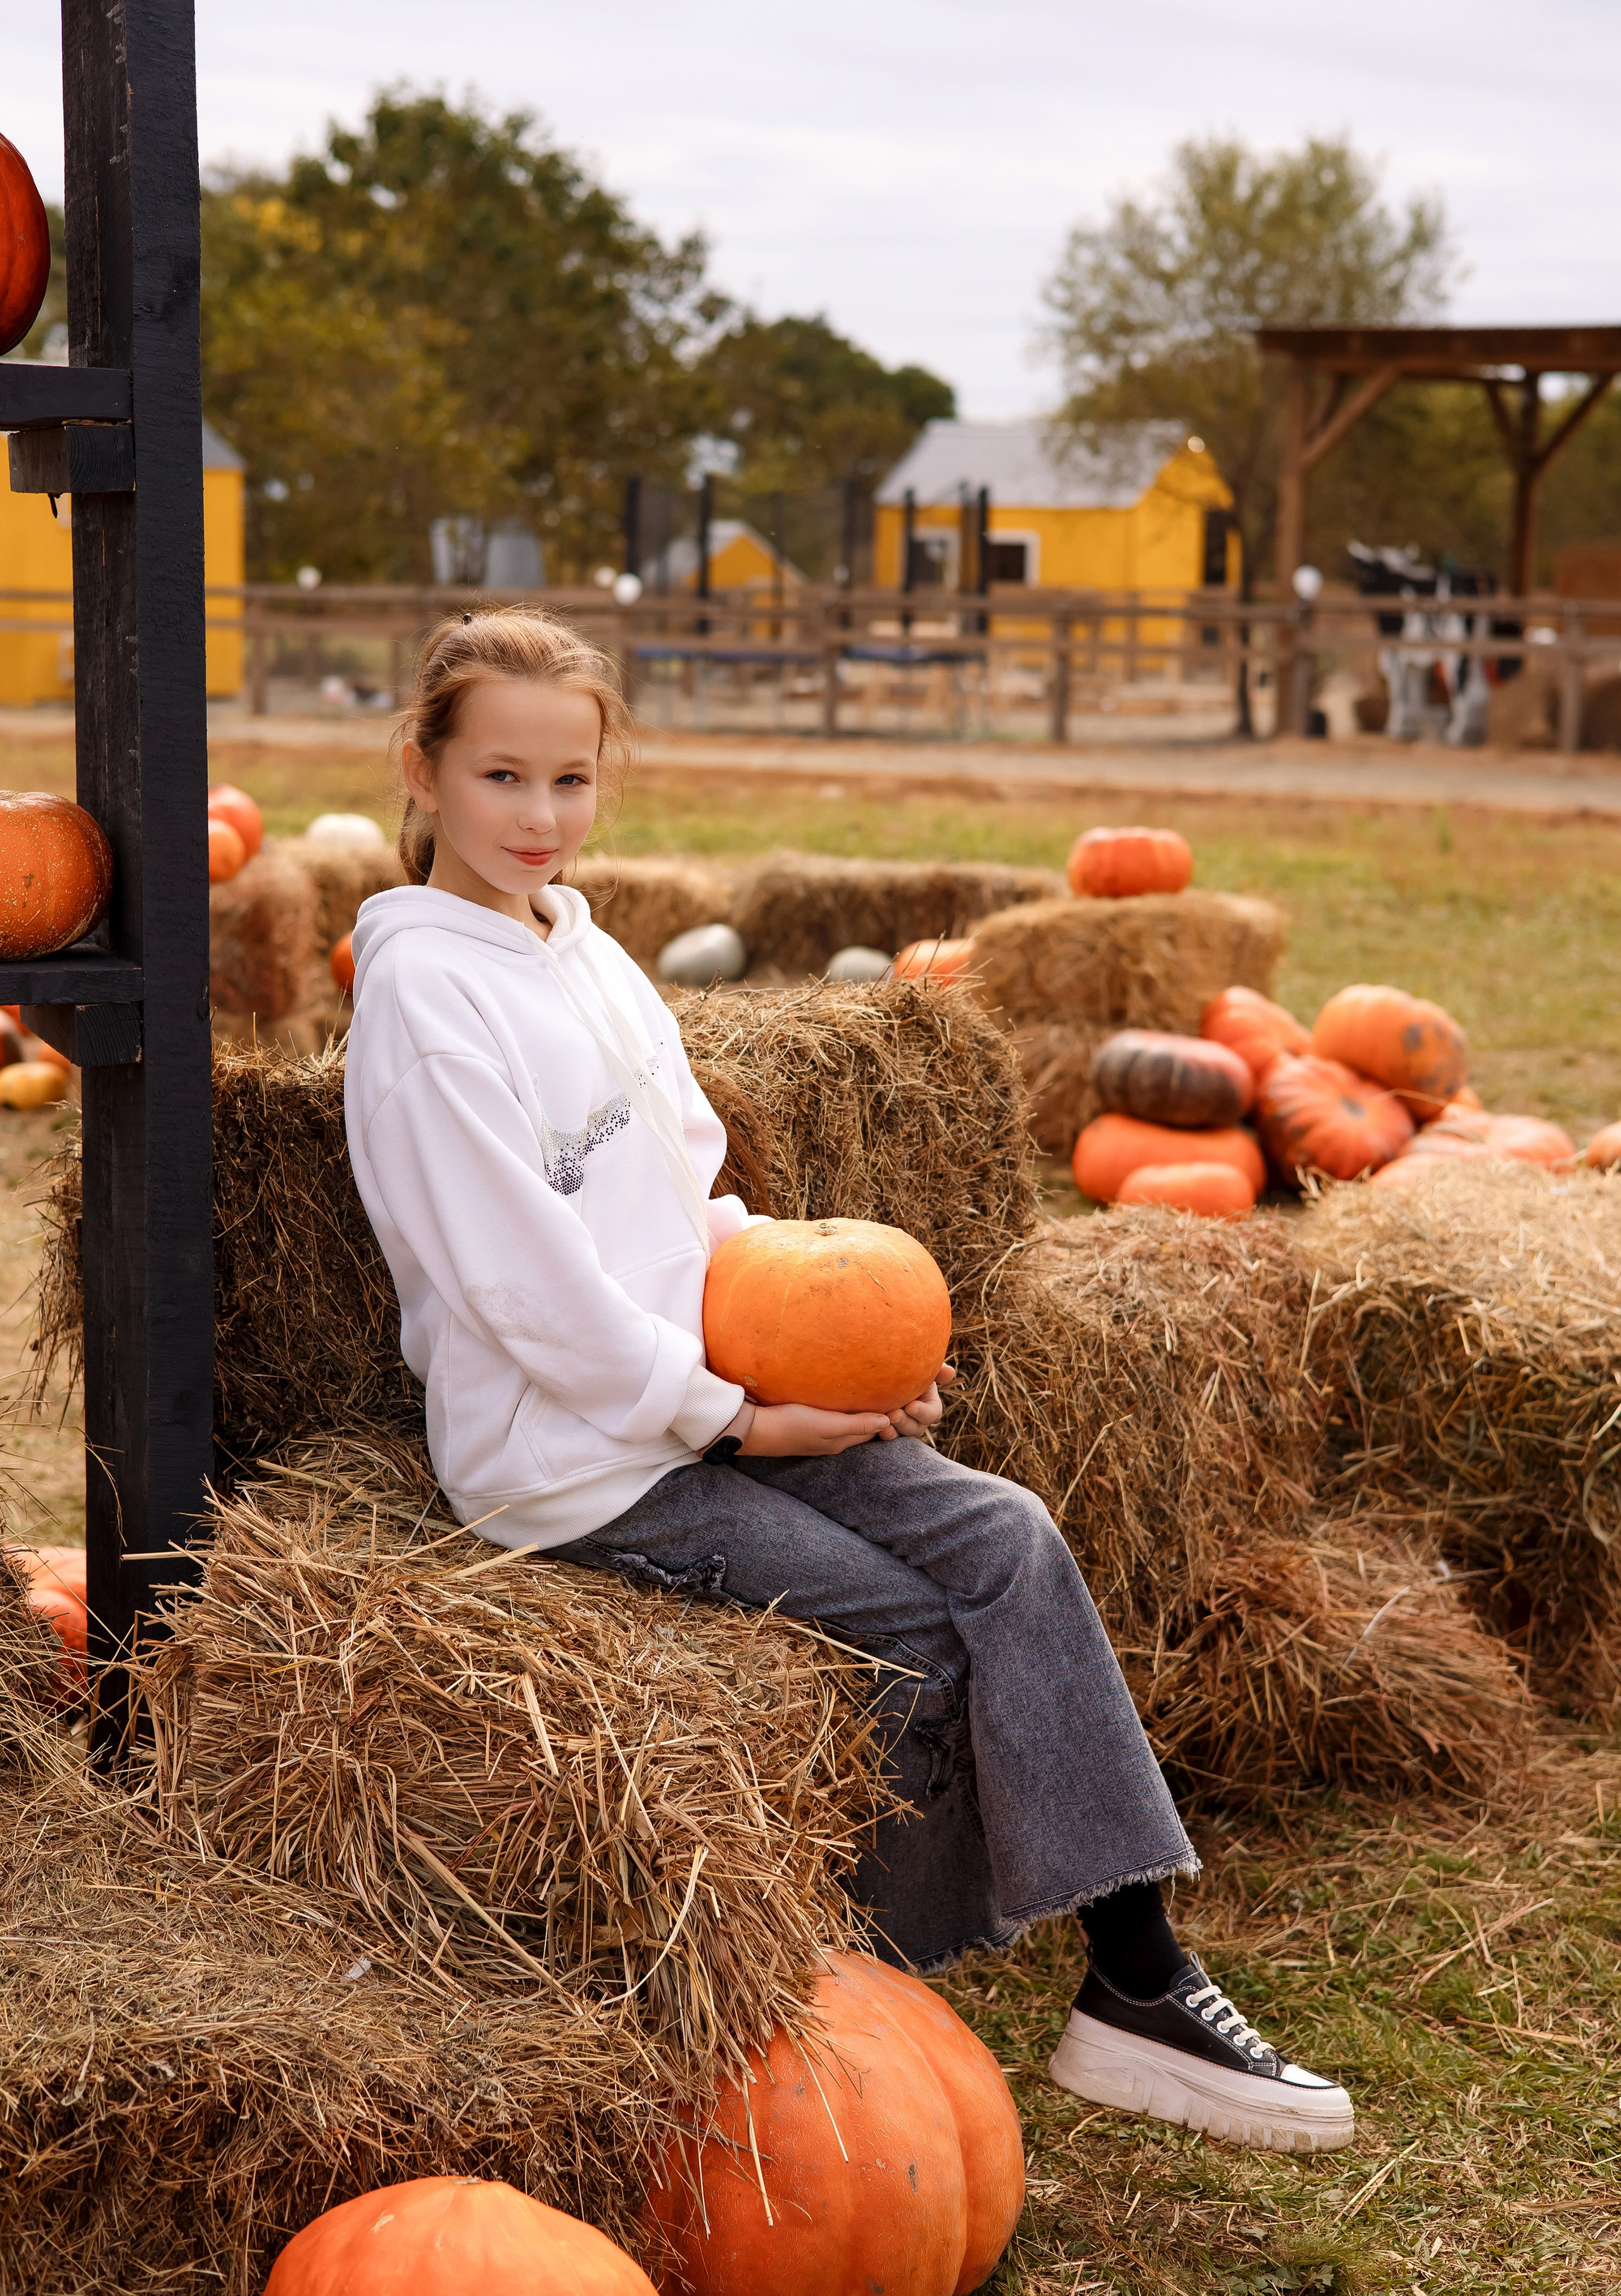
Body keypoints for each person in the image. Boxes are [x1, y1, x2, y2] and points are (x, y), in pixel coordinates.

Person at [343, 606, 1353, 2157]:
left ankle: (1137, 1982)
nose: (540, 818)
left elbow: (688, 1195)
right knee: (903, 1638)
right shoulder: (422, 996)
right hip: (577, 1459)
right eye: (499, 778)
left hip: (714, 1395)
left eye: (572, 779)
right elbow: (513, 1279)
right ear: (420, 771)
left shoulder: (588, 949)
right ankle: (878, 2006)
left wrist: (827, 1352)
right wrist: (733, 1418)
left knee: (1006, 1540)